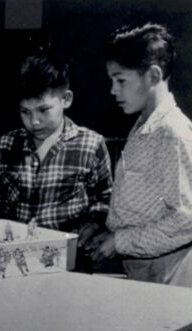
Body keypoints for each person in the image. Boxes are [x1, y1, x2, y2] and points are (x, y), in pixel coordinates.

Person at [86, 23, 192, 286]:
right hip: (142, 264)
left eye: (120, 80)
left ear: (153, 76)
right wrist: (110, 233)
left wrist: (119, 241)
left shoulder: (171, 133)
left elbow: (186, 219)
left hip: (169, 270)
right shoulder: (144, 124)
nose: (113, 90)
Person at [0, 54, 113, 251]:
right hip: (13, 253)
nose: (34, 121)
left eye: (43, 110)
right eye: (25, 112)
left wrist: (95, 223)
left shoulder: (91, 145)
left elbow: (105, 198)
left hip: (69, 256)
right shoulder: (6, 145)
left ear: (66, 99)